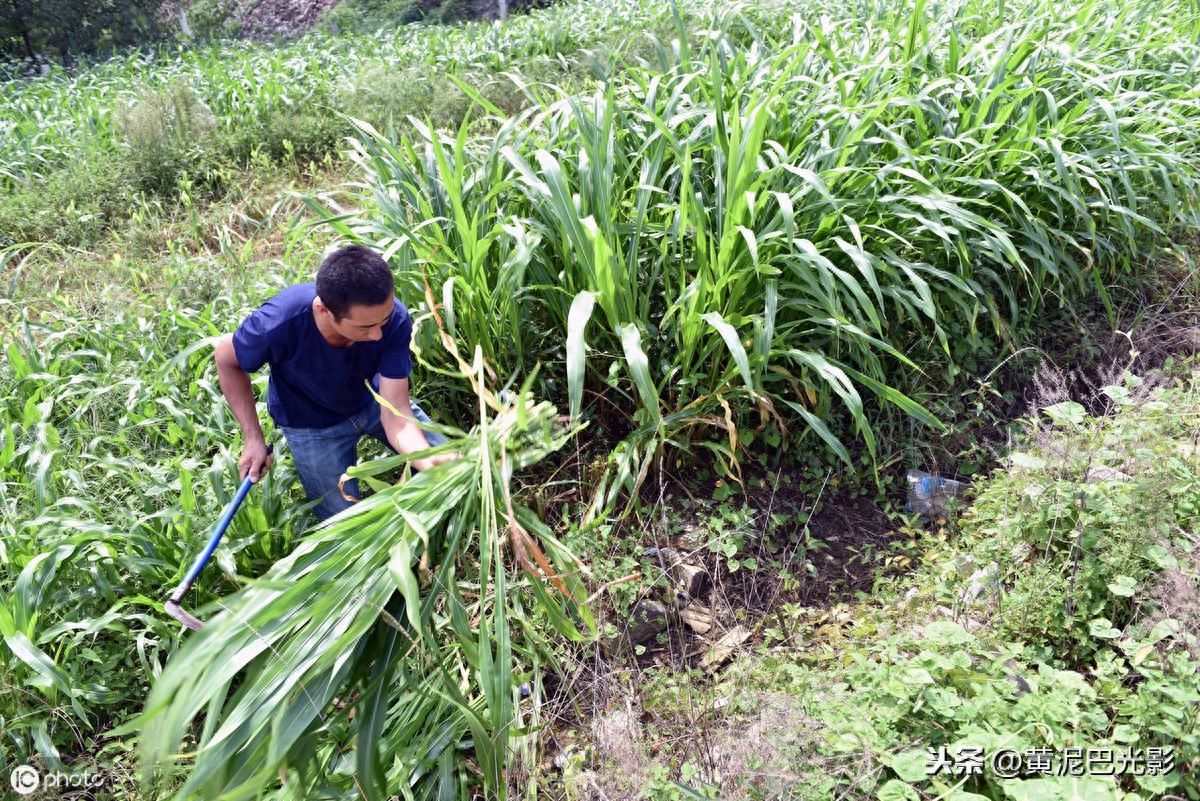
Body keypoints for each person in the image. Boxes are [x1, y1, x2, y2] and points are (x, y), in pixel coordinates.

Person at [214, 244, 455, 520]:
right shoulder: (279, 323)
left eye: (383, 321)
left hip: (374, 400)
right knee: (345, 525)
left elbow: (395, 411)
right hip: (311, 424)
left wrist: (426, 458)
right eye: (365, 327)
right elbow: (225, 358)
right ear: (324, 309)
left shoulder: (393, 319)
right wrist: (253, 438)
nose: (378, 335)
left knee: (451, 471)